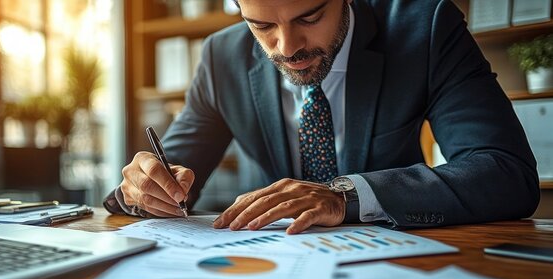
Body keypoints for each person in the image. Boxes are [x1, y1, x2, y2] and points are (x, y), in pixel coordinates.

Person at [104, 0, 539, 234]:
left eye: (309, 17)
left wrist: (346, 195)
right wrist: (144, 189)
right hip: (278, 274)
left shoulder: (425, 28)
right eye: (261, 26)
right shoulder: (223, 57)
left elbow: (505, 172)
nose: (287, 46)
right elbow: (169, 170)